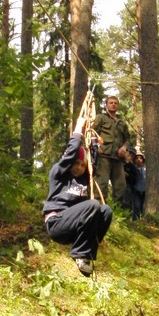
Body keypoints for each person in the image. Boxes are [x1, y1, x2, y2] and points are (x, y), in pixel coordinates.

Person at [42, 116, 113, 276]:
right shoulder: (59, 172)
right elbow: (71, 153)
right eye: (76, 163)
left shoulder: (83, 179)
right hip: (57, 223)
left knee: (106, 211)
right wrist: (78, 129)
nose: (80, 167)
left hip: (74, 227)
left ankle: (86, 255)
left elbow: (92, 164)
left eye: (82, 165)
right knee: (93, 204)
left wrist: (94, 143)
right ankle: (80, 254)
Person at [94, 95, 133, 204]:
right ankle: (99, 208)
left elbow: (128, 139)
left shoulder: (122, 122)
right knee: (101, 184)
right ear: (106, 105)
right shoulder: (101, 118)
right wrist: (96, 146)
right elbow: (92, 133)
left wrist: (124, 147)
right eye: (111, 103)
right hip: (104, 156)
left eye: (115, 103)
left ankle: (117, 210)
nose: (113, 105)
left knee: (121, 186)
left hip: (117, 158)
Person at [132, 152, 147, 219]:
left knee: (144, 207)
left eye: (140, 158)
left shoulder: (146, 169)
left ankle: (144, 220)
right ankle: (136, 220)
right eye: (137, 158)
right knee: (136, 206)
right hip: (136, 190)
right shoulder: (133, 168)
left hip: (145, 190)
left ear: (143, 160)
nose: (139, 159)